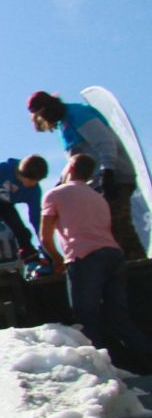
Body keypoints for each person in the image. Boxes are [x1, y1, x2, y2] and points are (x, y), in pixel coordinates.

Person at [41, 153, 152, 365]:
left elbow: (45, 235)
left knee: (86, 318)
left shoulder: (54, 194)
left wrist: (55, 258)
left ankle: (104, 369)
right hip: (113, 254)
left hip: (83, 256)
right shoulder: (98, 198)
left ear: (71, 168)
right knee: (119, 315)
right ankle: (145, 356)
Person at [28, 91, 144, 259]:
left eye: (42, 116)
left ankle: (140, 267)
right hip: (96, 182)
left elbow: (104, 141)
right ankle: (123, 267)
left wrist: (108, 170)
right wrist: (63, 184)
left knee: (118, 223)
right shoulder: (64, 125)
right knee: (104, 229)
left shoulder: (78, 113)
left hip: (115, 177)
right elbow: (75, 160)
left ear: (48, 109)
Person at [0, 156, 50, 264]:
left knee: (20, 230)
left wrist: (45, 244)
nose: (34, 184)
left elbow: (36, 219)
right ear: (22, 174)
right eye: (32, 181)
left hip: (2, 203)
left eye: (37, 181)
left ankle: (30, 257)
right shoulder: (3, 169)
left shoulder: (34, 190)